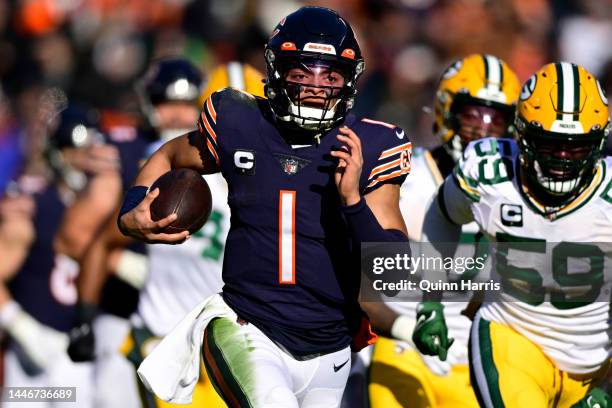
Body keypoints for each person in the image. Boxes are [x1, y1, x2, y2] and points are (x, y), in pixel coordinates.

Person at [119, 6, 412, 407]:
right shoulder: (240, 122)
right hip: (247, 325)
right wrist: (134, 207)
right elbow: (169, 155)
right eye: (301, 74)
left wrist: (352, 201)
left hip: (331, 350)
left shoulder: (369, 146)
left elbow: (393, 270)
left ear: (350, 80)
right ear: (277, 73)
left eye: (331, 75)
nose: (316, 87)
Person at [413, 62, 612, 407]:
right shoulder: (488, 171)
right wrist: (431, 300)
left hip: (596, 358)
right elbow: (442, 213)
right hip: (513, 338)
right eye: (549, 144)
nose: (562, 159)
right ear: (521, 133)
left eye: (576, 147)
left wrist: (609, 388)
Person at [363, 54, 520, 408]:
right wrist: (401, 328)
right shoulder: (405, 178)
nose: (483, 128)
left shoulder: (516, 192)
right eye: (472, 114)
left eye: (496, 118)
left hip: (480, 356)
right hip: (403, 345)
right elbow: (363, 283)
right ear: (446, 112)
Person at [66, 57, 210, 407]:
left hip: (201, 312)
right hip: (128, 313)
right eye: (166, 104)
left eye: (185, 104)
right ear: (148, 104)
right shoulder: (124, 152)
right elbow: (77, 237)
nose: (176, 115)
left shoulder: (217, 154)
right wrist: (124, 265)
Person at [0, 104, 121, 408]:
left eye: (90, 151)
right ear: (58, 153)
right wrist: (19, 325)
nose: (84, 161)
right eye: (75, 151)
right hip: (34, 344)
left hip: (76, 350)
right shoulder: (32, 206)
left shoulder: (111, 206)